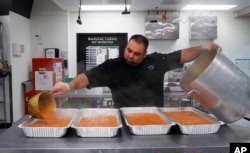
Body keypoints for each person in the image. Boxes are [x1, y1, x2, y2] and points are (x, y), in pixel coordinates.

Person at [51, 34, 221, 108]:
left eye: (136, 53)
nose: (131, 56)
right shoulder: (113, 66)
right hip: (123, 119)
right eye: (128, 50)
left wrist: (203, 48)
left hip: (154, 118)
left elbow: (182, 55)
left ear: (145, 54)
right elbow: (86, 78)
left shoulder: (156, 61)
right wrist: (68, 87)